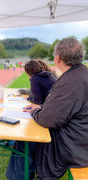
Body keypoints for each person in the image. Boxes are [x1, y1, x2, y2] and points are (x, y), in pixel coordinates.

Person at [23, 38, 88, 179]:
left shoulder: (72, 81)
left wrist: (34, 111)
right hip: (81, 136)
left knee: (29, 141)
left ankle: (31, 176)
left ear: (57, 58)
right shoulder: (80, 74)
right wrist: (42, 108)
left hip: (77, 145)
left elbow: (48, 119)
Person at [6, 59, 57, 180]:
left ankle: (20, 175)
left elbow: (38, 101)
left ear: (29, 71)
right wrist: (32, 96)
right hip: (55, 112)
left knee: (25, 139)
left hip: (48, 115)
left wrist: (30, 98)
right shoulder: (49, 75)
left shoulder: (35, 79)